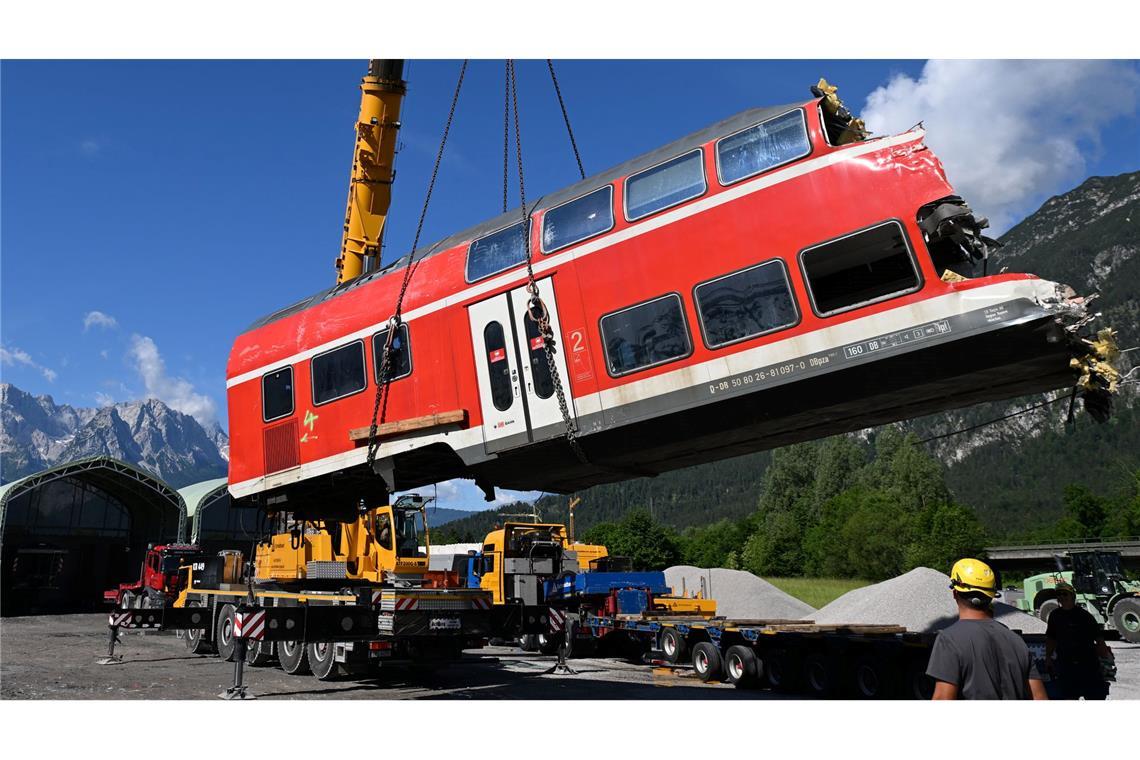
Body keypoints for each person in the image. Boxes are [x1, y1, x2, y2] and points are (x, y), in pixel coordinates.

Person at [927, 558, 1048, 700]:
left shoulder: (949, 640)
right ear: (991, 597)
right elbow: (1040, 699)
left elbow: (943, 699)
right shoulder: (1016, 641)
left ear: (955, 593)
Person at [1044, 580, 1112, 700]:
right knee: (1068, 697)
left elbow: (1099, 640)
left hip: (1088, 666)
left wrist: (1106, 661)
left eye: (1065, 594)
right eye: (1059, 594)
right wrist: (1048, 657)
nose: (1062, 597)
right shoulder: (1055, 616)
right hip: (1066, 666)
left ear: (1072, 597)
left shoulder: (1084, 616)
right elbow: (1051, 638)